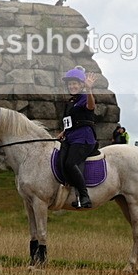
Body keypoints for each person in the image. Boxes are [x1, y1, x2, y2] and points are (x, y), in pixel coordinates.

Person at [57, 66, 97, 209]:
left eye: (75, 84)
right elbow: (70, 122)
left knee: (70, 163)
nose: (72, 86)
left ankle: (84, 196)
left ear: (81, 85)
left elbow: (91, 107)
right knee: (59, 159)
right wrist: (64, 132)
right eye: (70, 84)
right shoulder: (71, 102)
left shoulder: (85, 97)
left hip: (84, 138)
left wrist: (89, 89)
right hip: (70, 137)